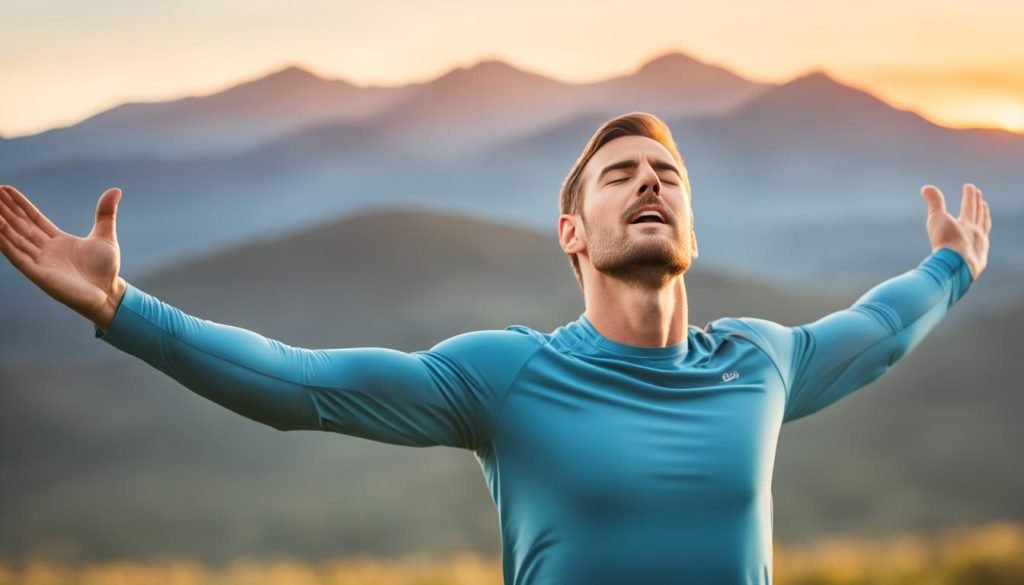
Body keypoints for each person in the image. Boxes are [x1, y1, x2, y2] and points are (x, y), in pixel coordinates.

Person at [0, 112, 991, 584]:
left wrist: (947, 268)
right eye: (617, 177)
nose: (649, 183)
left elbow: (878, 334)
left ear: (691, 217)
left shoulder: (761, 363)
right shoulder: (508, 377)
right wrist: (121, 307)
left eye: (666, 173)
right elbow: (299, 386)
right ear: (571, 234)